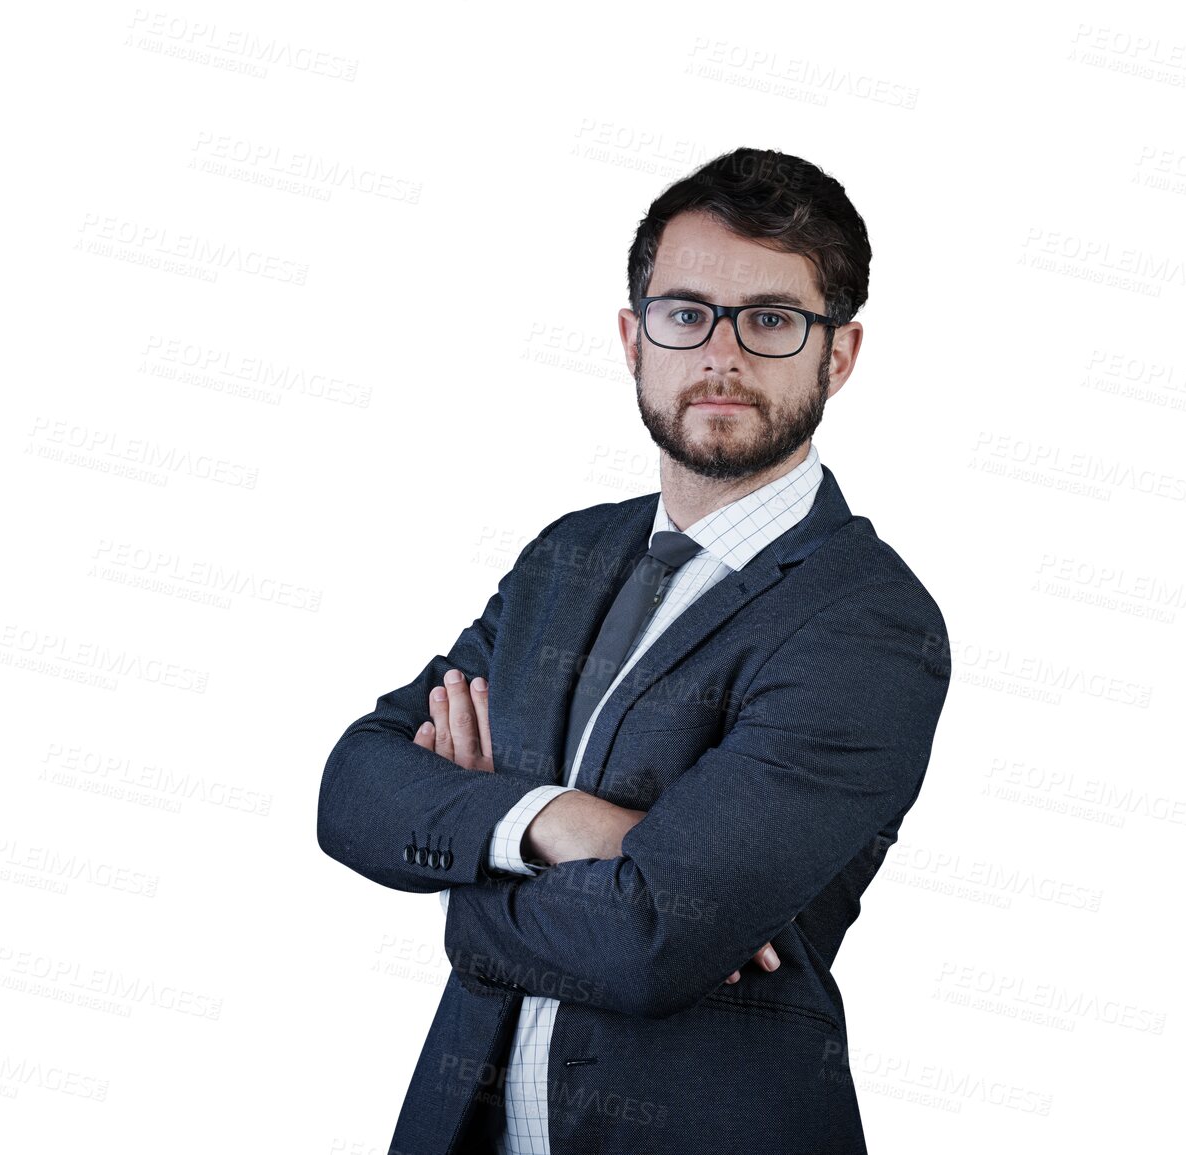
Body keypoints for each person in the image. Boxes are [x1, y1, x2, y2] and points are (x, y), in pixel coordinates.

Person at [317, 146, 952, 1155]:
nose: (722, 355)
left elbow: (650, 939)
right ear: (633, 337)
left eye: (773, 321)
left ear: (840, 355)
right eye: (686, 313)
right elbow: (354, 786)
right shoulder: (571, 553)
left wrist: (466, 891)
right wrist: (555, 819)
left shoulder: (867, 623)